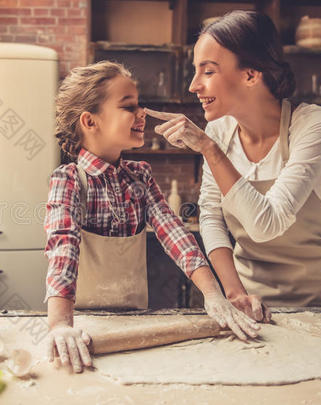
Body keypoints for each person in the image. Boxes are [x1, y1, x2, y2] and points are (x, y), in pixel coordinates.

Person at [44, 61, 260, 373]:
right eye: (128, 107)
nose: (142, 113)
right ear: (90, 121)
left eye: (139, 104)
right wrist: (60, 325)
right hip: (84, 328)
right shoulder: (69, 180)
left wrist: (214, 296)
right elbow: (63, 247)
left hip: (135, 324)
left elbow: (176, 235)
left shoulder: (139, 176)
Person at [146, 10, 321, 323]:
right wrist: (234, 292)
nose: (193, 86)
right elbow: (210, 215)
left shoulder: (314, 125)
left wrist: (209, 150)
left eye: (208, 72)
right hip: (248, 302)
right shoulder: (220, 131)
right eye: (195, 72)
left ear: (251, 75)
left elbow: (267, 223)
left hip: (317, 305)